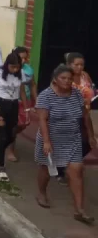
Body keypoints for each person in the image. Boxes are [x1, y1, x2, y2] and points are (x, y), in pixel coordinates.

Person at [35, 64, 96, 224]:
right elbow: (42, 119)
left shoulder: (76, 94)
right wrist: (47, 142)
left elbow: (85, 116)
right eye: (63, 78)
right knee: (46, 169)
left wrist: (90, 135)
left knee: (76, 171)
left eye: (70, 78)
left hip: (72, 139)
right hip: (51, 139)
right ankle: (41, 192)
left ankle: (79, 210)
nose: (67, 81)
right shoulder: (46, 96)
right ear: (55, 80)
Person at [0, 53, 27, 182]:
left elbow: (21, 91)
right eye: (12, 67)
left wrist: (26, 109)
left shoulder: (20, 73)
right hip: (0, 105)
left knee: (12, 135)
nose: (15, 70)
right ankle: (1, 167)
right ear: (7, 65)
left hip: (14, 105)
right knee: (2, 134)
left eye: (17, 67)